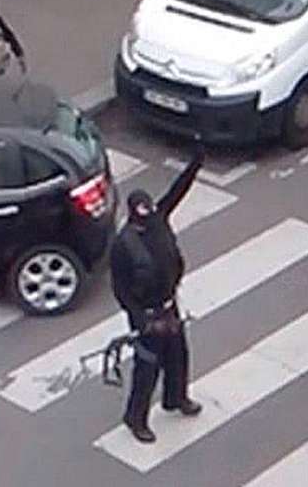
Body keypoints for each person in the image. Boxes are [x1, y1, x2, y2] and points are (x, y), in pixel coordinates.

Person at [110, 140, 206, 443]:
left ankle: (176, 398)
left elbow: (177, 191)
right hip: (147, 314)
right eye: (144, 214)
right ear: (132, 215)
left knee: (178, 355)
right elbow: (121, 289)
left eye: (151, 210)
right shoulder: (123, 245)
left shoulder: (158, 219)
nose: (150, 216)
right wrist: (139, 319)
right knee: (148, 367)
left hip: (168, 305)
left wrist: (196, 162)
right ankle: (135, 418)